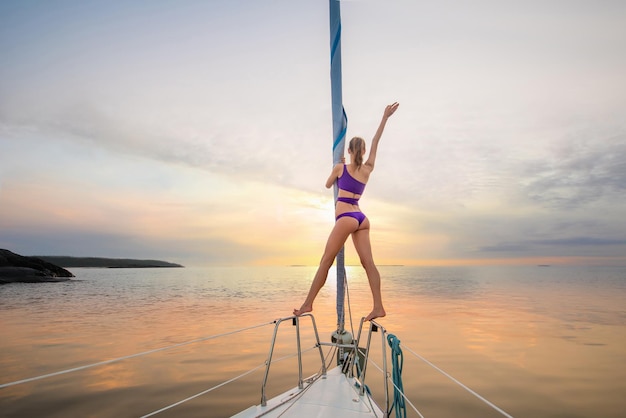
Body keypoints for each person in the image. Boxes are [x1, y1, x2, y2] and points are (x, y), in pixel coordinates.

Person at [294, 102, 400, 321]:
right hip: (362, 218)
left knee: (326, 260)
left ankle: (307, 304)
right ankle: (378, 307)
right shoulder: (368, 168)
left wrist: (337, 166)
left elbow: (327, 185)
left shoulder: (340, 168)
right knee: (368, 263)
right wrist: (385, 117)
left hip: (346, 218)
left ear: (349, 151)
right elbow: (375, 141)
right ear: (362, 152)